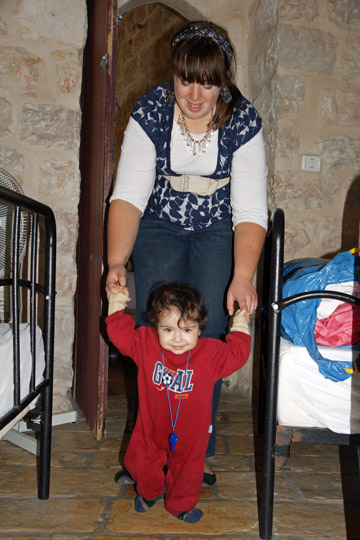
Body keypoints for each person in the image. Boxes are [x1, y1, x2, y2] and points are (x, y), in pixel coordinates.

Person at [106, 21, 268, 484]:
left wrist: (242, 275)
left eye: (208, 83)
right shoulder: (151, 110)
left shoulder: (243, 120)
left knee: (212, 330)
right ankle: (150, 450)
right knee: (158, 331)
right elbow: (129, 196)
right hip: (158, 222)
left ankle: (195, 452)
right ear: (173, 73)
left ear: (223, 80)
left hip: (218, 227)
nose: (195, 96)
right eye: (185, 80)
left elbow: (251, 208)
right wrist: (117, 261)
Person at [106, 281, 251, 522]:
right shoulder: (145, 344)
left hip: (191, 433)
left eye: (187, 330)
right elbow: (119, 334)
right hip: (151, 426)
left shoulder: (210, 354)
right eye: (168, 330)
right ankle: (150, 491)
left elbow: (237, 354)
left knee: (188, 470)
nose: (177, 339)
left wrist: (240, 325)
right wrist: (116, 303)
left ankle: (180, 504)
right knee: (140, 460)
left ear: (199, 329)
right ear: (156, 327)